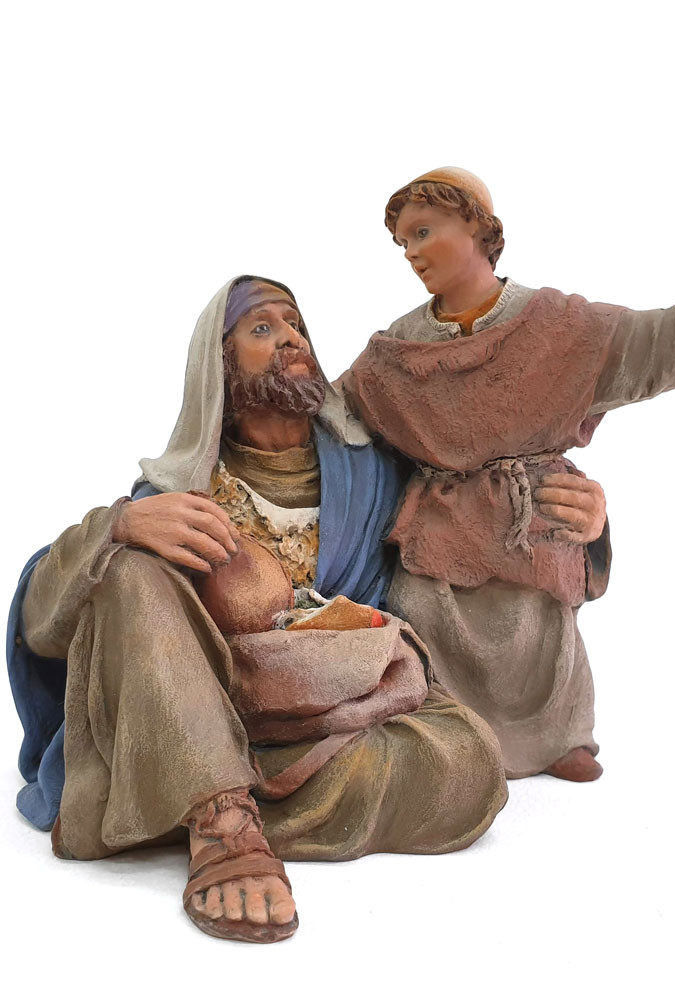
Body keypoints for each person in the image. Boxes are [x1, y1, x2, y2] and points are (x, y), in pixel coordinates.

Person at [7, 276, 508, 944]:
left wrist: (577, 525)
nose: (291, 338)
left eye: (296, 324)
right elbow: (45, 623)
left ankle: (164, 792)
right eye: (263, 328)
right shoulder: (176, 493)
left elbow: (473, 533)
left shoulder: (374, 476)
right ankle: (221, 825)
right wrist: (116, 527)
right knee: (128, 570)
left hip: (329, 710)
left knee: (469, 764)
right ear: (219, 364)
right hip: (205, 702)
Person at [341, 167, 675, 783]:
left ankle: (555, 734)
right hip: (443, 524)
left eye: (423, 232)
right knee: (422, 604)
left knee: (540, 612)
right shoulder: (398, 351)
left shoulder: (557, 326)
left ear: (476, 226)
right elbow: (333, 415)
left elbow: (650, 342)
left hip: (533, 519)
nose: (411, 253)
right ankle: (450, 735)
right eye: (402, 243)